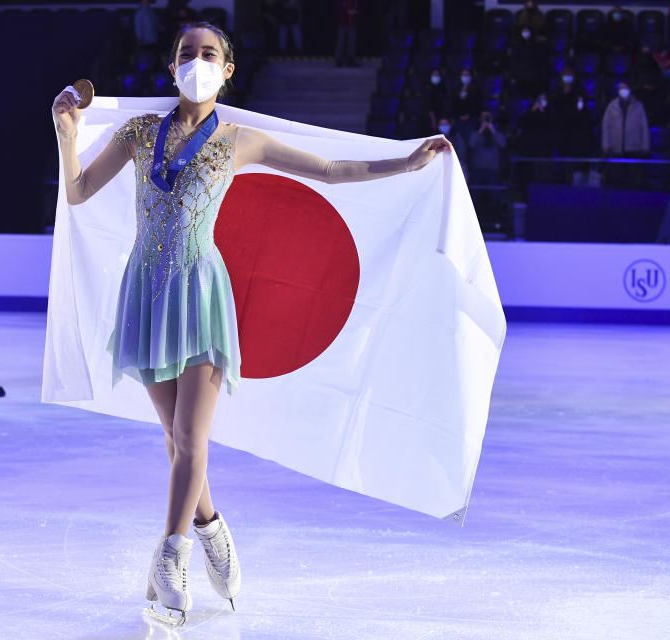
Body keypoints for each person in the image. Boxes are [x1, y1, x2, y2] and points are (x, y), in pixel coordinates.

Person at [51, 22, 450, 627]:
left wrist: (405, 162)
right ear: (171, 67)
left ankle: (170, 554)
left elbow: (334, 169)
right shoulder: (139, 134)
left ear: (228, 70)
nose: (197, 61)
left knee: (190, 440)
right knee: (175, 438)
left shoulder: (240, 140)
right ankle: (211, 529)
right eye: (187, 53)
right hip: (147, 293)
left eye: (208, 54)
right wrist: (66, 134)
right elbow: (78, 192)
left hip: (200, 293)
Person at [601, 80, 650, 188]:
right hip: (616, 148)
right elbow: (606, 126)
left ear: (630, 89)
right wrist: (606, 144)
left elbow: (644, 127)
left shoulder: (638, 106)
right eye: (621, 88)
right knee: (616, 180)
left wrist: (645, 146)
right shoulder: (611, 106)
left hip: (634, 148)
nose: (623, 90)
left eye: (625, 88)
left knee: (635, 180)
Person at [335, 0, 358, 67]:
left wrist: (353, 12)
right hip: (343, 23)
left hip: (352, 23)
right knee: (341, 42)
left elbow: (357, 9)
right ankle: (338, 60)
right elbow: (341, 9)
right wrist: (349, 11)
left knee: (352, 42)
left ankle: (351, 60)